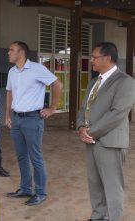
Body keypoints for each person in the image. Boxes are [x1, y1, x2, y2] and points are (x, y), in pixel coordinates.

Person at [77, 42, 135, 221]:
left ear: (108, 58)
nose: (91, 61)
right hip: (91, 140)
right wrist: (81, 127)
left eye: (95, 57)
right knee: (95, 184)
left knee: (112, 186)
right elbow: (83, 107)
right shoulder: (95, 81)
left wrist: (91, 132)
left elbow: (117, 113)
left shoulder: (125, 81)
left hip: (110, 142)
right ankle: (98, 216)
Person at [5, 41, 62, 206]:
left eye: (11, 50)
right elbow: (9, 92)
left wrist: (52, 108)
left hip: (32, 119)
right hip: (16, 119)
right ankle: (25, 188)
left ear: (21, 52)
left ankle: (41, 192)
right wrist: (8, 114)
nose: (8, 52)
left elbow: (58, 85)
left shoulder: (37, 68)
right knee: (22, 155)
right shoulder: (12, 71)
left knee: (36, 157)